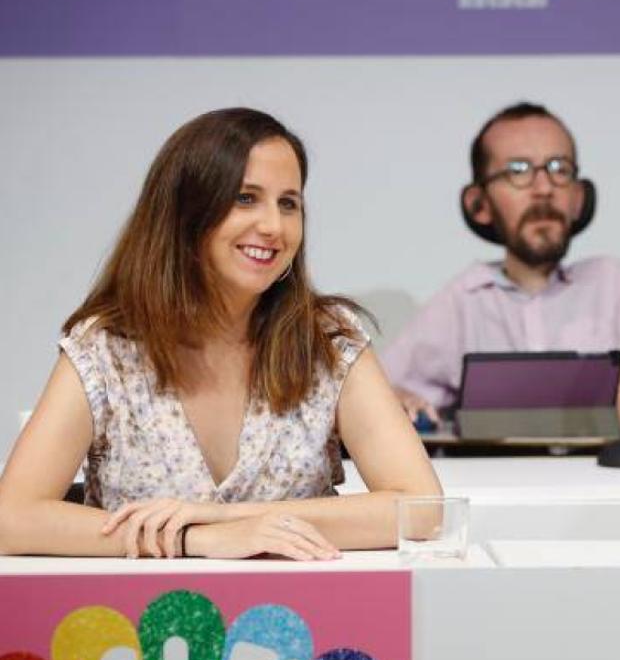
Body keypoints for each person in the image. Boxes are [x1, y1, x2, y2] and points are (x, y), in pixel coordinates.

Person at [0, 108, 442, 559]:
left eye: (288, 203)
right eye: (246, 198)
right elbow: (11, 519)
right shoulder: (107, 347)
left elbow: (422, 510)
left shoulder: (327, 340)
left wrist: (233, 520)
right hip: (138, 623)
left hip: (307, 622)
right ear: (185, 213)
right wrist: (197, 538)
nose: (273, 226)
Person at [381, 102, 620, 428]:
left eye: (559, 169)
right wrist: (396, 399)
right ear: (479, 204)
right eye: (518, 170)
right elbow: (372, 397)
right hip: (497, 476)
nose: (544, 188)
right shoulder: (464, 299)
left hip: (598, 476)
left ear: (579, 198)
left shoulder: (614, 282)